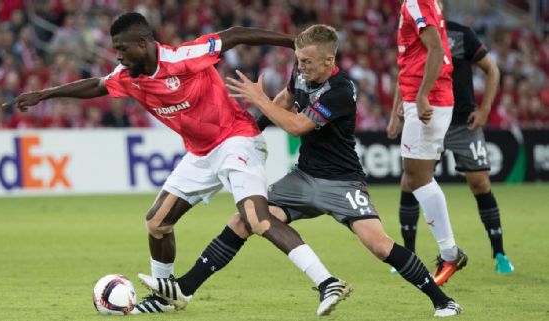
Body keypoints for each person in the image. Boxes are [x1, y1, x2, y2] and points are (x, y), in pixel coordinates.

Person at [3, 12, 350, 315]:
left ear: (144, 43)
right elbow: (97, 85)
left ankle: (328, 282)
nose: (118, 56)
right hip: (200, 153)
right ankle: (166, 294)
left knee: (257, 218)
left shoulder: (184, 57)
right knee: (156, 222)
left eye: (123, 48)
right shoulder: (128, 76)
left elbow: (234, 35)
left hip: (236, 139)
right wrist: (45, 94)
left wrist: (292, 43)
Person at [139, 24, 462, 317]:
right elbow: (285, 100)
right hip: (303, 177)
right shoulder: (302, 73)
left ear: (327, 61)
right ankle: (185, 288)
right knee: (244, 220)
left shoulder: (341, 91)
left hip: (341, 182)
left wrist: (257, 98)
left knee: (378, 245)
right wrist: (252, 130)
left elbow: (297, 126)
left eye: (307, 62)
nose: (301, 66)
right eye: (298, 59)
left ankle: (442, 301)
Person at [393, 2, 514, 273]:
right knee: (412, 179)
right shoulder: (423, 16)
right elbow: (408, 70)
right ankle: (414, 253)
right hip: (431, 104)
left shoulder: (455, 30)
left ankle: (493, 253)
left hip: (456, 118)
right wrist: (397, 112)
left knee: (477, 182)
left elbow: (490, 69)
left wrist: (483, 110)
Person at [386, 0, 467, 287]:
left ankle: (449, 253)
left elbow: (437, 49)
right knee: (414, 177)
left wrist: (422, 95)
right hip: (420, 97)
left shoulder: (417, 2)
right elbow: (413, 56)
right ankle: (448, 251)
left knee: (418, 178)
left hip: (428, 99)